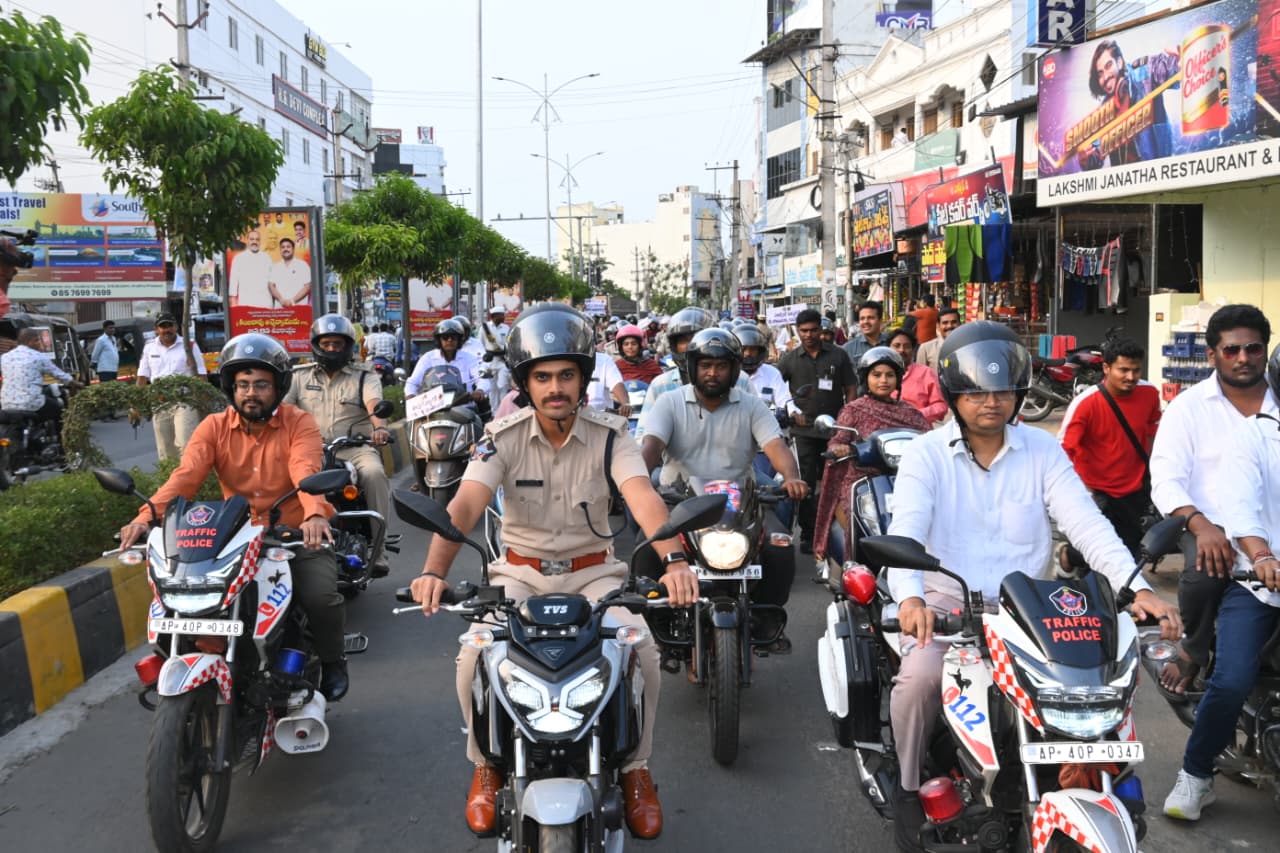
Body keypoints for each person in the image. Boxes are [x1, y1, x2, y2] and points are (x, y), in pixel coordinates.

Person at [884, 321, 1181, 853]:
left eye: (1002, 391)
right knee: (919, 679)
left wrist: (1137, 588)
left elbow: (1087, 526)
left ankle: (1106, 783)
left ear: (1019, 393)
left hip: (1030, 612)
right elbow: (905, 530)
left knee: (1099, 685)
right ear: (953, 394)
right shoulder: (926, 455)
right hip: (949, 609)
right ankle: (907, 788)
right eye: (977, 392)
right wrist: (910, 598)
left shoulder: (1041, 450)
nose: (991, 402)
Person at [410, 303, 700, 840]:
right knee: (472, 657)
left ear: (584, 380)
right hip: (520, 577)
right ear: (525, 383)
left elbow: (643, 497)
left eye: (566, 375)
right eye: (542, 377)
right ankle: (486, 764)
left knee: (642, 651)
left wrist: (676, 560)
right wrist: (432, 571)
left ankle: (636, 768)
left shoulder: (613, 436)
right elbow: (465, 505)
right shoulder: (500, 436)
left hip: (595, 576)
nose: (555, 388)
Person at [118, 333, 351, 701]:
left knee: (320, 595)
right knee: (184, 593)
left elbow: (304, 470)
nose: (250, 393)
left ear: (278, 388)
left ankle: (334, 660)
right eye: (243, 385)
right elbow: (186, 476)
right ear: (231, 388)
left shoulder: (299, 422)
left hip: (293, 533)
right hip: (237, 537)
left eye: (261, 384)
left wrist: (314, 515)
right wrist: (145, 517)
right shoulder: (213, 426)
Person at [1163, 343, 1280, 822]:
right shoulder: (1254, 436)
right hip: (1261, 583)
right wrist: (1262, 554)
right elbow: (1239, 504)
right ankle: (1195, 775)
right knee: (1231, 680)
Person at [639, 328, 808, 651]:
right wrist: (639, 480)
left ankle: (765, 618)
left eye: (720, 366)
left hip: (740, 502)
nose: (712, 373)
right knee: (646, 548)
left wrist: (791, 477)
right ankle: (657, 625)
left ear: (734, 369)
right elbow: (651, 446)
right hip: (678, 501)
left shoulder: (751, 405)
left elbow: (775, 446)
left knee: (780, 544)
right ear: (693, 367)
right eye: (705, 365)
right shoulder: (669, 402)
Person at [1149, 304, 1278, 696]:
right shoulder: (1187, 408)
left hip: (1273, 524)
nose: (1243, 358)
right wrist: (1201, 525)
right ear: (1212, 355)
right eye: (1231, 350)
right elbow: (1166, 480)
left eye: (1253, 349)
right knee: (1206, 571)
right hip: (1208, 523)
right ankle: (1194, 647)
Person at [284, 314, 393, 577]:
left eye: (337, 344)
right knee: (286, 477)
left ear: (348, 346)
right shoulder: (299, 376)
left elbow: (374, 403)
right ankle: (281, 541)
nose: (332, 349)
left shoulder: (364, 376)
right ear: (316, 345)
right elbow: (283, 409)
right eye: (326, 344)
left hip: (355, 447)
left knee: (375, 474)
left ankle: (379, 552)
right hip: (311, 449)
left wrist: (380, 428)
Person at [813, 347, 928, 562]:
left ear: (898, 379)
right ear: (866, 378)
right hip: (862, 479)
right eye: (877, 375)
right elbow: (838, 439)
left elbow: (929, 440)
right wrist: (839, 448)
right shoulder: (854, 410)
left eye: (890, 375)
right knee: (856, 518)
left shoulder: (911, 413)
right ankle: (853, 564)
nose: (883, 380)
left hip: (905, 479)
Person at [1058, 337, 1161, 560]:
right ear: (1106, 368)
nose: (1131, 377)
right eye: (1123, 370)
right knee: (1094, 553)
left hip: (1135, 491)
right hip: (1097, 493)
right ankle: (1067, 557)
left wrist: (1153, 473)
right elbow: (1063, 452)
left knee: (1129, 554)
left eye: (1136, 370)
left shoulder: (1150, 393)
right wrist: (1083, 491)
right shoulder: (1085, 403)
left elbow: (1153, 432)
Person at [777, 308, 858, 553]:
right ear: (797, 331)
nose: (809, 335)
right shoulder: (789, 360)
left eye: (813, 330)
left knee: (837, 482)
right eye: (804, 331)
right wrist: (791, 412)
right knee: (806, 484)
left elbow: (851, 388)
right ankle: (809, 534)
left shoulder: (838, 355)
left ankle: (837, 533)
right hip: (803, 433)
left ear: (821, 330)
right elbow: (778, 392)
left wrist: (847, 416)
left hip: (835, 432)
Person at [636, 306, 754, 438]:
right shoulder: (660, 385)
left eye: (698, 337)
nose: (691, 344)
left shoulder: (740, 380)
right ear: (674, 345)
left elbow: (758, 426)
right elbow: (643, 435)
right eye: (683, 340)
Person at [1082, 41, 1177, 170]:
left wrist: (1180, 63)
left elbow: (1166, 68)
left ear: (1119, 62)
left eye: (1108, 66)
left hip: (1158, 174)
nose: (1105, 77)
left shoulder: (1144, 75)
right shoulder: (1104, 111)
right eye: (1100, 74)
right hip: (1123, 180)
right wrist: (1086, 158)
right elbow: (1095, 157)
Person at [136, 313, 207, 461]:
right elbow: (142, 376)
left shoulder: (189, 346)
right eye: (163, 326)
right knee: (165, 448)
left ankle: (189, 474)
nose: (167, 330)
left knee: (186, 444)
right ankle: (169, 475)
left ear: (176, 327)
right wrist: (135, 404)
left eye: (170, 325)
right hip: (160, 402)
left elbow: (201, 375)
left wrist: (203, 402)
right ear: (157, 329)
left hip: (185, 401)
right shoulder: (150, 348)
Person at [0, 328, 82, 435]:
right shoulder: (38, 357)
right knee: (59, 409)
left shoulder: (4, 357)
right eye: (38, 340)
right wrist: (77, 384)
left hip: (6, 404)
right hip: (31, 403)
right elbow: (60, 375)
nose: (40, 344)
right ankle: (63, 441)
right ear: (31, 341)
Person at [404, 318, 485, 400]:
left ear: (459, 340)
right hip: (433, 403)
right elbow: (413, 381)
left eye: (453, 337)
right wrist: (410, 395)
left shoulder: (469, 358)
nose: (449, 340)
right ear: (439, 340)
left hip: (463, 402)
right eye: (445, 337)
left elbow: (480, 377)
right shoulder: (428, 358)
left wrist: (480, 390)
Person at [888, 329, 947, 424]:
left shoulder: (926, 373)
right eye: (897, 346)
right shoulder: (880, 373)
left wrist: (915, 415)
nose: (902, 350)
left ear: (913, 350)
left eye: (907, 346)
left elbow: (941, 406)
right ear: (888, 348)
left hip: (918, 428)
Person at [229, 229, 273, 308]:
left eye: (257, 239)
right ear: (247, 240)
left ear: (260, 241)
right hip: (246, 303)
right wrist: (233, 302)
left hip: (265, 303)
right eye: (252, 239)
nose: (254, 242)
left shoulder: (267, 258)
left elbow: (272, 280)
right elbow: (233, 281)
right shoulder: (238, 258)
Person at [268, 237, 312, 307]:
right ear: (280, 250)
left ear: (293, 249)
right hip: (280, 308)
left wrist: (292, 301)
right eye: (283, 247)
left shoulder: (302, 265)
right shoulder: (275, 267)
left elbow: (308, 286)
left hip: (298, 307)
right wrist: (281, 300)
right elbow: (271, 285)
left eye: (288, 247)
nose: (285, 249)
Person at [916, 307, 960, 371]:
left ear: (960, 324)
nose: (950, 326)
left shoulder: (966, 346)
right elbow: (920, 374)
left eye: (954, 322)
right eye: (945, 323)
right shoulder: (926, 348)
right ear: (938, 326)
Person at [588, 348, 630, 415]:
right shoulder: (569, 360)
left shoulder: (604, 359)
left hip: (601, 416)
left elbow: (616, 383)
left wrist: (625, 403)